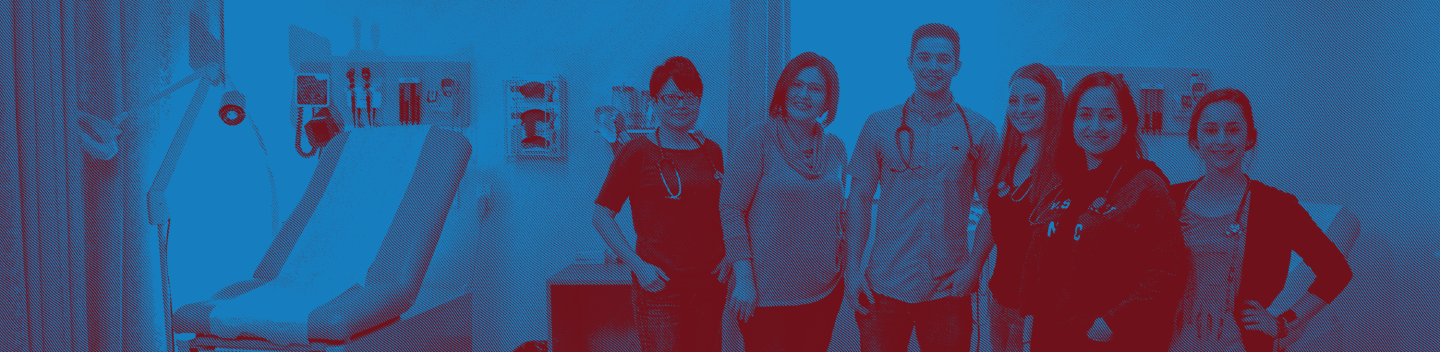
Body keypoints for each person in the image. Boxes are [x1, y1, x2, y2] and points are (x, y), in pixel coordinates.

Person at [844, 23, 1001, 352]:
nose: (933, 67)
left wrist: (973, 268)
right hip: (884, 285)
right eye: (924, 58)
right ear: (910, 62)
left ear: (957, 66)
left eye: (943, 59)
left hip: (949, 287)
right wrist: (852, 270)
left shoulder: (980, 131)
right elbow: (858, 198)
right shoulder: (879, 126)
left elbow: (993, 209)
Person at [1167, 88, 1352, 352]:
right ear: (1195, 139)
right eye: (1210, 130)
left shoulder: (1276, 206)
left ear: (1249, 138)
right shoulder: (1171, 199)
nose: (1221, 140)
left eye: (1233, 130)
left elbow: (1336, 271)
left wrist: (1283, 323)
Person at [1020, 71, 1188, 351]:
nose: (1095, 126)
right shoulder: (1063, 185)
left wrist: (1111, 323)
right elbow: (1036, 264)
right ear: (1071, 122)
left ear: (1125, 125)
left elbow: (1167, 272)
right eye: (1085, 115)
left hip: (1108, 338)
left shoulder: (1145, 185)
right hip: (1049, 334)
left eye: (1108, 116)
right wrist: (1028, 331)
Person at [714, 51, 846, 352]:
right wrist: (744, 280)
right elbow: (731, 209)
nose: (804, 95)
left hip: (824, 291)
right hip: (764, 295)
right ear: (783, 89)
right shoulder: (757, 138)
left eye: (816, 89)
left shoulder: (837, 148)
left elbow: (837, 214)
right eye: (797, 85)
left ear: (828, 99)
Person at [592, 56, 725, 352]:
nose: (681, 104)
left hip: (709, 285)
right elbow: (601, 214)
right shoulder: (638, 151)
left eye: (689, 97)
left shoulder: (712, 151)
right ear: (654, 102)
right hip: (660, 286)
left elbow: (724, 212)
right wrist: (638, 266)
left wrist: (728, 256)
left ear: (699, 101)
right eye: (671, 97)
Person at [968, 63, 1065, 352]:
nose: (1021, 108)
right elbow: (992, 215)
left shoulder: (1067, 164)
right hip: (999, 298)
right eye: (1014, 100)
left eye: (1033, 100)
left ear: (1053, 104)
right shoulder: (1007, 157)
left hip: (1041, 305)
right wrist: (974, 267)